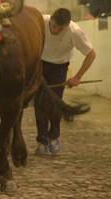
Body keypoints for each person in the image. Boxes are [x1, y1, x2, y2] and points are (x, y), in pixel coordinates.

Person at [36, 8, 96, 155]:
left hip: (59, 67)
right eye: (54, 26)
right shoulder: (41, 21)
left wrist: (77, 77)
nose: (55, 30)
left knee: (55, 103)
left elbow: (91, 54)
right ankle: (42, 141)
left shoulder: (75, 32)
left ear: (67, 25)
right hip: (40, 64)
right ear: (51, 20)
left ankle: (54, 136)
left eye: (59, 28)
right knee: (40, 103)